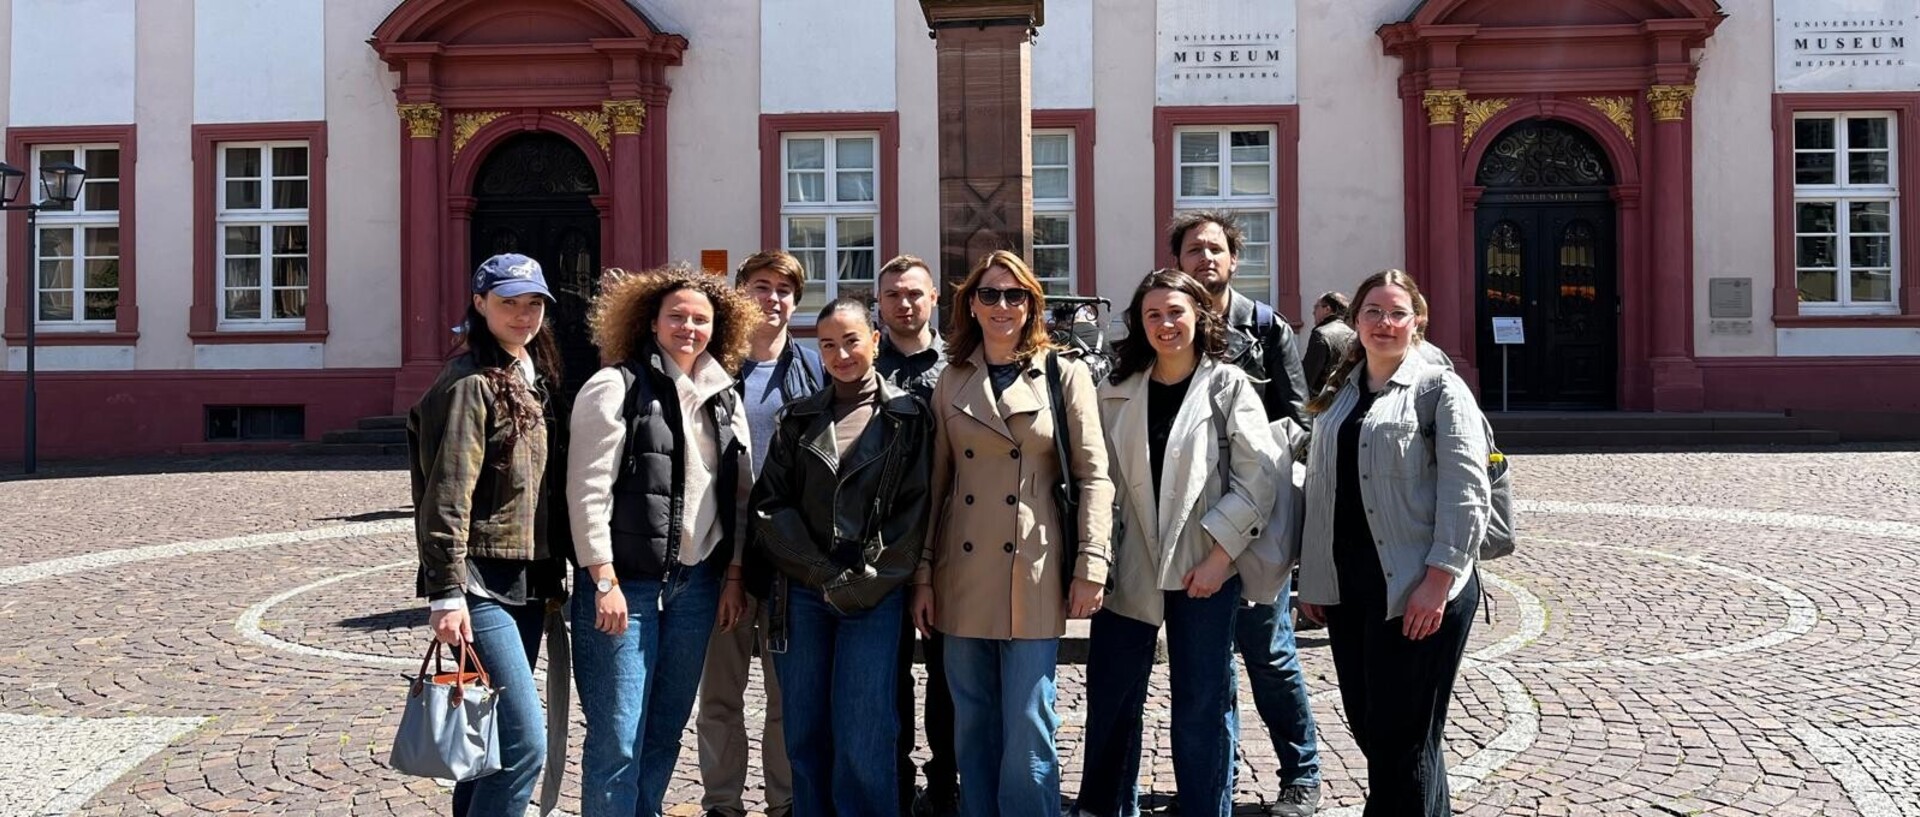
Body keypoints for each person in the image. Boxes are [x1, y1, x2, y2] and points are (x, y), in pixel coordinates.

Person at [910, 250, 1113, 817]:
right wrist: (922, 574)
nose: (1002, 306)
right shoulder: (951, 379)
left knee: (1029, 721)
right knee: (972, 721)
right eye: (990, 294)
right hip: (961, 573)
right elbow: (936, 486)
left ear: (1031, 305)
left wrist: (1092, 563)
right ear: (971, 305)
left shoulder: (1064, 374)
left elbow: (1094, 475)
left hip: (1035, 568)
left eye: (1014, 295)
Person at [1075, 270, 1282, 817]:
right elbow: (1096, 478)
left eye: (1175, 312)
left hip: (1203, 566)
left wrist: (1219, 558)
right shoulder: (1115, 388)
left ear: (1199, 316)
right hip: (1129, 562)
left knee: (1202, 703)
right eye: (1153, 315)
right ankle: (1104, 807)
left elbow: (1258, 479)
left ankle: (1203, 808)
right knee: (1113, 695)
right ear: (1139, 323)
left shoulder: (1227, 386)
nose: (1165, 324)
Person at [566, 265, 757, 817]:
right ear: (651, 322)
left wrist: (733, 575)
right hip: (626, 587)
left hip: (696, 587)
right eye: (676, 316)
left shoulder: (725, 396)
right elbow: (587, 490)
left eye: (701, 319)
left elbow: (740, 498)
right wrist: (602, 578)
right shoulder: (614, 386)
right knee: (618, 738)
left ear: (717, 327)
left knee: (666, 730)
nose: (688, 328)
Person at [1297, 269, 1490, 817]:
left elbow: (1467, 490)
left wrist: (1439, 580)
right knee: (1375, 728)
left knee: (1400, 741)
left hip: (1415, 587)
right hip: (1351, 588)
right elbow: (1323, 486)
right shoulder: (1341, 390)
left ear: (1417, 322)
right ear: (1355, 321)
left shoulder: (1439, 388)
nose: (1385, 323)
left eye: (1397, 313)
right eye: (1374, 312)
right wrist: (1316, 577)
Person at [747, 297, 936, 817]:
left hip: (875, 594)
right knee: (805, 730)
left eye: (851, 340)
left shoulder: (908, 417)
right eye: (828, 345)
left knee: (865, 729)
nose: (841, 354)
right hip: (804, 591)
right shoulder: (798, 418)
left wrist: (862, 581)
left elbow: (916, 511)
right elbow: (768, 506)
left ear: (875, 339)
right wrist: (821, 573)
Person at [1169, 210, 1322, 815]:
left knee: (1269, 652)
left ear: (1234, 260)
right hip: (1193, 524)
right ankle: (1216, 781)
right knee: (1208, 662)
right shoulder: (1169, 323)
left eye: (1215, 249)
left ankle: (1301, 772)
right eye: (1193, 250)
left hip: (1254, 518)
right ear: (1178, 261)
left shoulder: (1264, 328)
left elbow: (1300, 421)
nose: (1205, 258)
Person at [410, 253, 566, 817]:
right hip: (479, 581)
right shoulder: (469, 383)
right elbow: (446, 494)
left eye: (534, 303)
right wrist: (445, 593)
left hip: (524, 575)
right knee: (524, 745)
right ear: (480, 304)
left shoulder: (529, 374)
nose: (524, 315)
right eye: (508, 303)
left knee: (490, 740)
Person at [698, 251, 820, 817]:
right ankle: (723, 803)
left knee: (785, 696)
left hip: (789, 560)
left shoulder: (815, 369)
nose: (772, 298)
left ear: (796, 301)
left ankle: (784, 803)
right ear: (740, 292)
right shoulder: (711, 367)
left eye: (784, 290)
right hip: (722, 553)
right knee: (720, 694)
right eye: (761, 286)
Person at [873, 254, 959, 817]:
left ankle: (946, 781)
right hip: (879, 545)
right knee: (887, 674)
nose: (904, 304)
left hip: (948, 540)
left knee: (949, 674)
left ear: (933, 299)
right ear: (878, 303)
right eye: (893, 295)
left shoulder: (957, 366)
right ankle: (896, 782)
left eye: (913, 294)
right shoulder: (861, 363)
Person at [1303, 291, 1356, 397]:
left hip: (1322, 399)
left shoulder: (1320, 334)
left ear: (1327, 309)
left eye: (1316, 307)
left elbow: (1307, 378)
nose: (1313, 312)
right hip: (1345, 397)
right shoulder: (1353, 334)